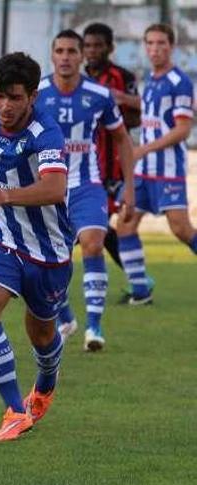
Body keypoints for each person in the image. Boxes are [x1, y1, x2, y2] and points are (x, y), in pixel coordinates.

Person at [0, 52, 72, 441]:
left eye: (15, 98)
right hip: (2, 238)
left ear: (33, 97)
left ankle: (45, 383)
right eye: (0, 95)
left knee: (42, 335)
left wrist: (2, 195)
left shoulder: (46, 134)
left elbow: (55, 188)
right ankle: (15, 409)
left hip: (49, 249)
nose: (5, 106)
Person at [36, 30, 135, 351]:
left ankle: (94, 328)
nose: (65, 57)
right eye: (60, 51)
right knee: (50, 262)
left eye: (71, 51)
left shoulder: (100, 94)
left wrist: (130, 190)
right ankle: (66, 318)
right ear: (52, 56)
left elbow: (121, 138)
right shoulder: (37, 95)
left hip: (86, 185)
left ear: (81, 57)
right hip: (48, 189)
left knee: (93, 245)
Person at [117, 23, 197, 305]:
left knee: (181, 229)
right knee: (125, 224)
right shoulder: (152, 78)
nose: (154, 49)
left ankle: (140, 291)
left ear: (171, 46)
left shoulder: (180, 82)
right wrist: (124, 99)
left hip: (167, 170)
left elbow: (183, 129)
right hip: (143, 171)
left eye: (161, 43)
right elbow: (151, 109)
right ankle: (140, 293)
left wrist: (142, 149)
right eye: (149, 43)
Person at [83, 23, 142, 277]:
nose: (92, 50)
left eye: (98, 45)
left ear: (110, 47)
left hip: (113, 165)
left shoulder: (122, 77)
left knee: (93, 227)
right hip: (86, 163)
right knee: (99, 227)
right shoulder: (79, 78)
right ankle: (139, 281)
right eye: (87, 45)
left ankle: (139, 282)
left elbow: (137, 117)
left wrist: (114, 108)